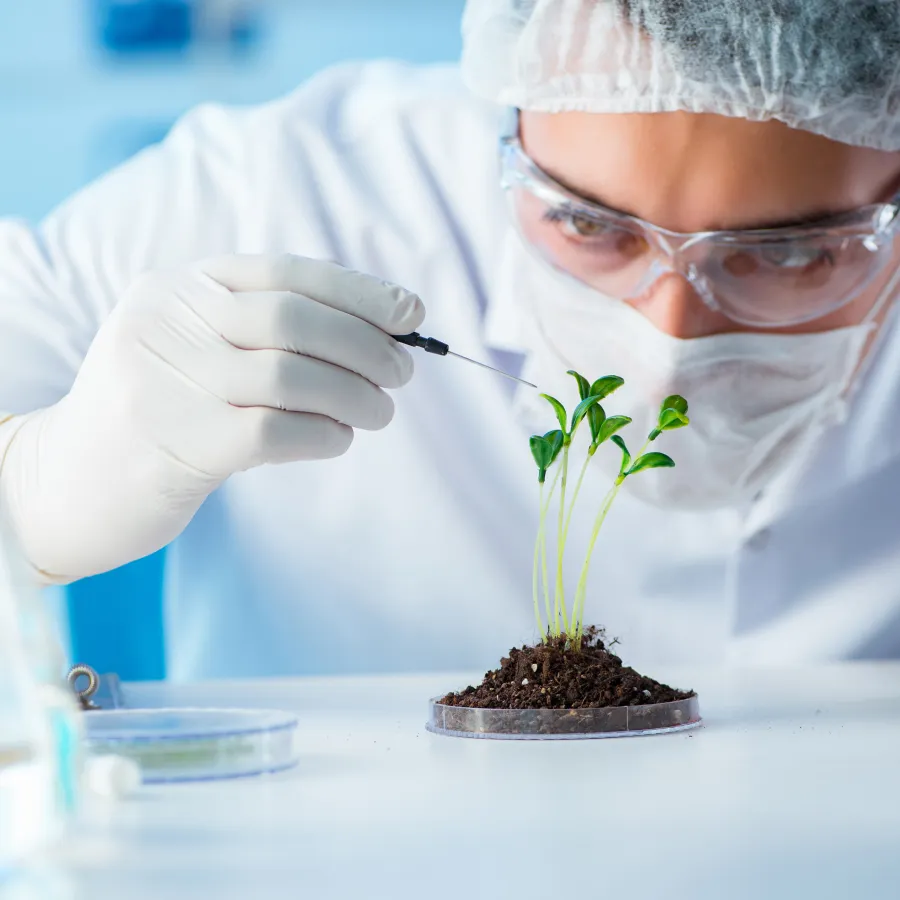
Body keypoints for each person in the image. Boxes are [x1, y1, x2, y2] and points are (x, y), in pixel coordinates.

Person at [2, 0, 900, 679]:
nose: (668, 342)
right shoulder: (278, 190)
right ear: (510, 126)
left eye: (790, 254)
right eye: (588, 227)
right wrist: (33, 490)